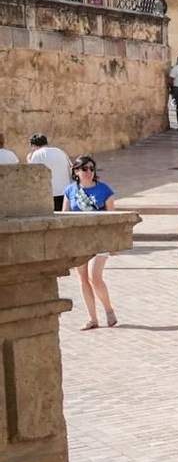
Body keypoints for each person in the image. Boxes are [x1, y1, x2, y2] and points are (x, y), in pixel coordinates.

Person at [61, 156, 116, 328]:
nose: (89, 172)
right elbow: (65, 217)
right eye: (85, 169)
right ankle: (93, 318)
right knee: (83, 278)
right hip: (79, 240)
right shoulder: (70, 190)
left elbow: (112, 218)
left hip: (100, 239)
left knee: (95, 277)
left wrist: (114, 241)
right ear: (76, 171)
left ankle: (109, 310)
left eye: (92, 168)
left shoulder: (104, 190)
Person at [25, 133, 68, 211]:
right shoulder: (60, 151)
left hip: (50, 194)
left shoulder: (37, 154)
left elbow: (32, 173)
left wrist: (29, 160)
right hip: (65, 192)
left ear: (33, 145)